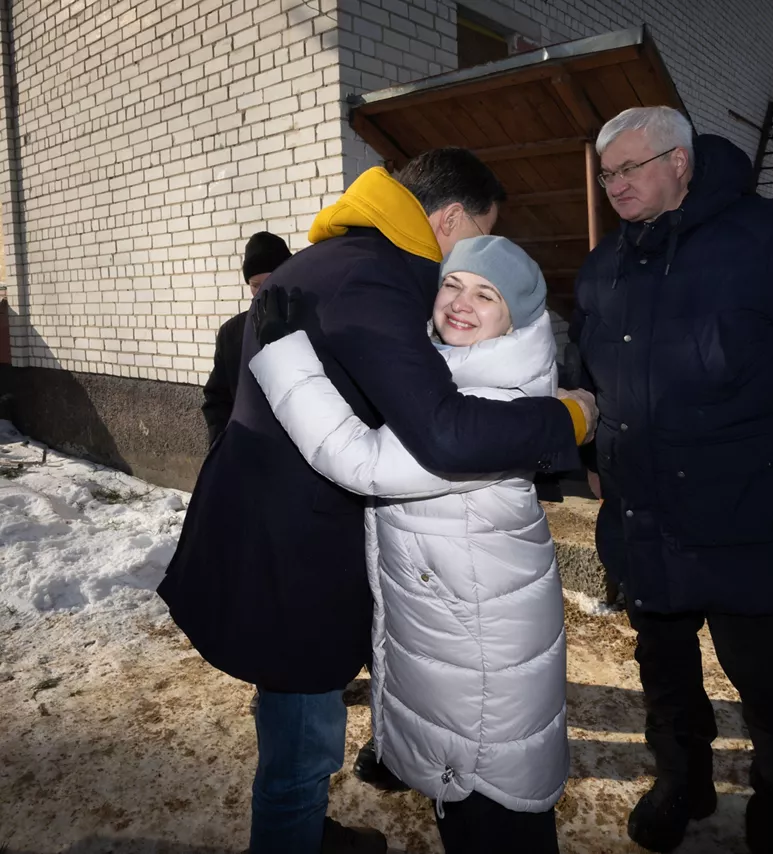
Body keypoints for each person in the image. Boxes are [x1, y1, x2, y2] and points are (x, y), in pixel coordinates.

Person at [158, 149, 597, 854]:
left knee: (297, 729)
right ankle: (295, 837)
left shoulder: (326, 259)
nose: (463, 281)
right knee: (302, 747)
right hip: (296, 559)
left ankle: (303, 830)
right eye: (472, 240)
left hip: (274, 540)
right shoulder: (379, 279)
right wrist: (570, 418)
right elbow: (440, 437)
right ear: (449, 218)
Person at [571, 106, 773, 854]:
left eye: (630, 168)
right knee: (662, 665)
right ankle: (679, 782)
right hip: (646, 511)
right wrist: (596, 460)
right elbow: (586, 374)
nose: (614, 185)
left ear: (681, 163)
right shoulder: (605, 265)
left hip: (751, 506)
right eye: (607, 173)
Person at [248, 236, 566, 854]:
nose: (461, 303)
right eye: (453, 284)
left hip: (481, 665)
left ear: (517, 321)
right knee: (468, 815)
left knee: (497, 821)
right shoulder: (455, 378)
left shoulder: (490, 408)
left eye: (486, 295)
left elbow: (362, 461)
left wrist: (288, 355)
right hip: (463, 643)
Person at [201, 232, 292, 445]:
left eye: (272, 280)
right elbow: (217, 399)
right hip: (251, 452)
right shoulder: (232, 332)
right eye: (255, 284)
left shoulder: (309, 323)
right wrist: (221, 445)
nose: (263, 291)